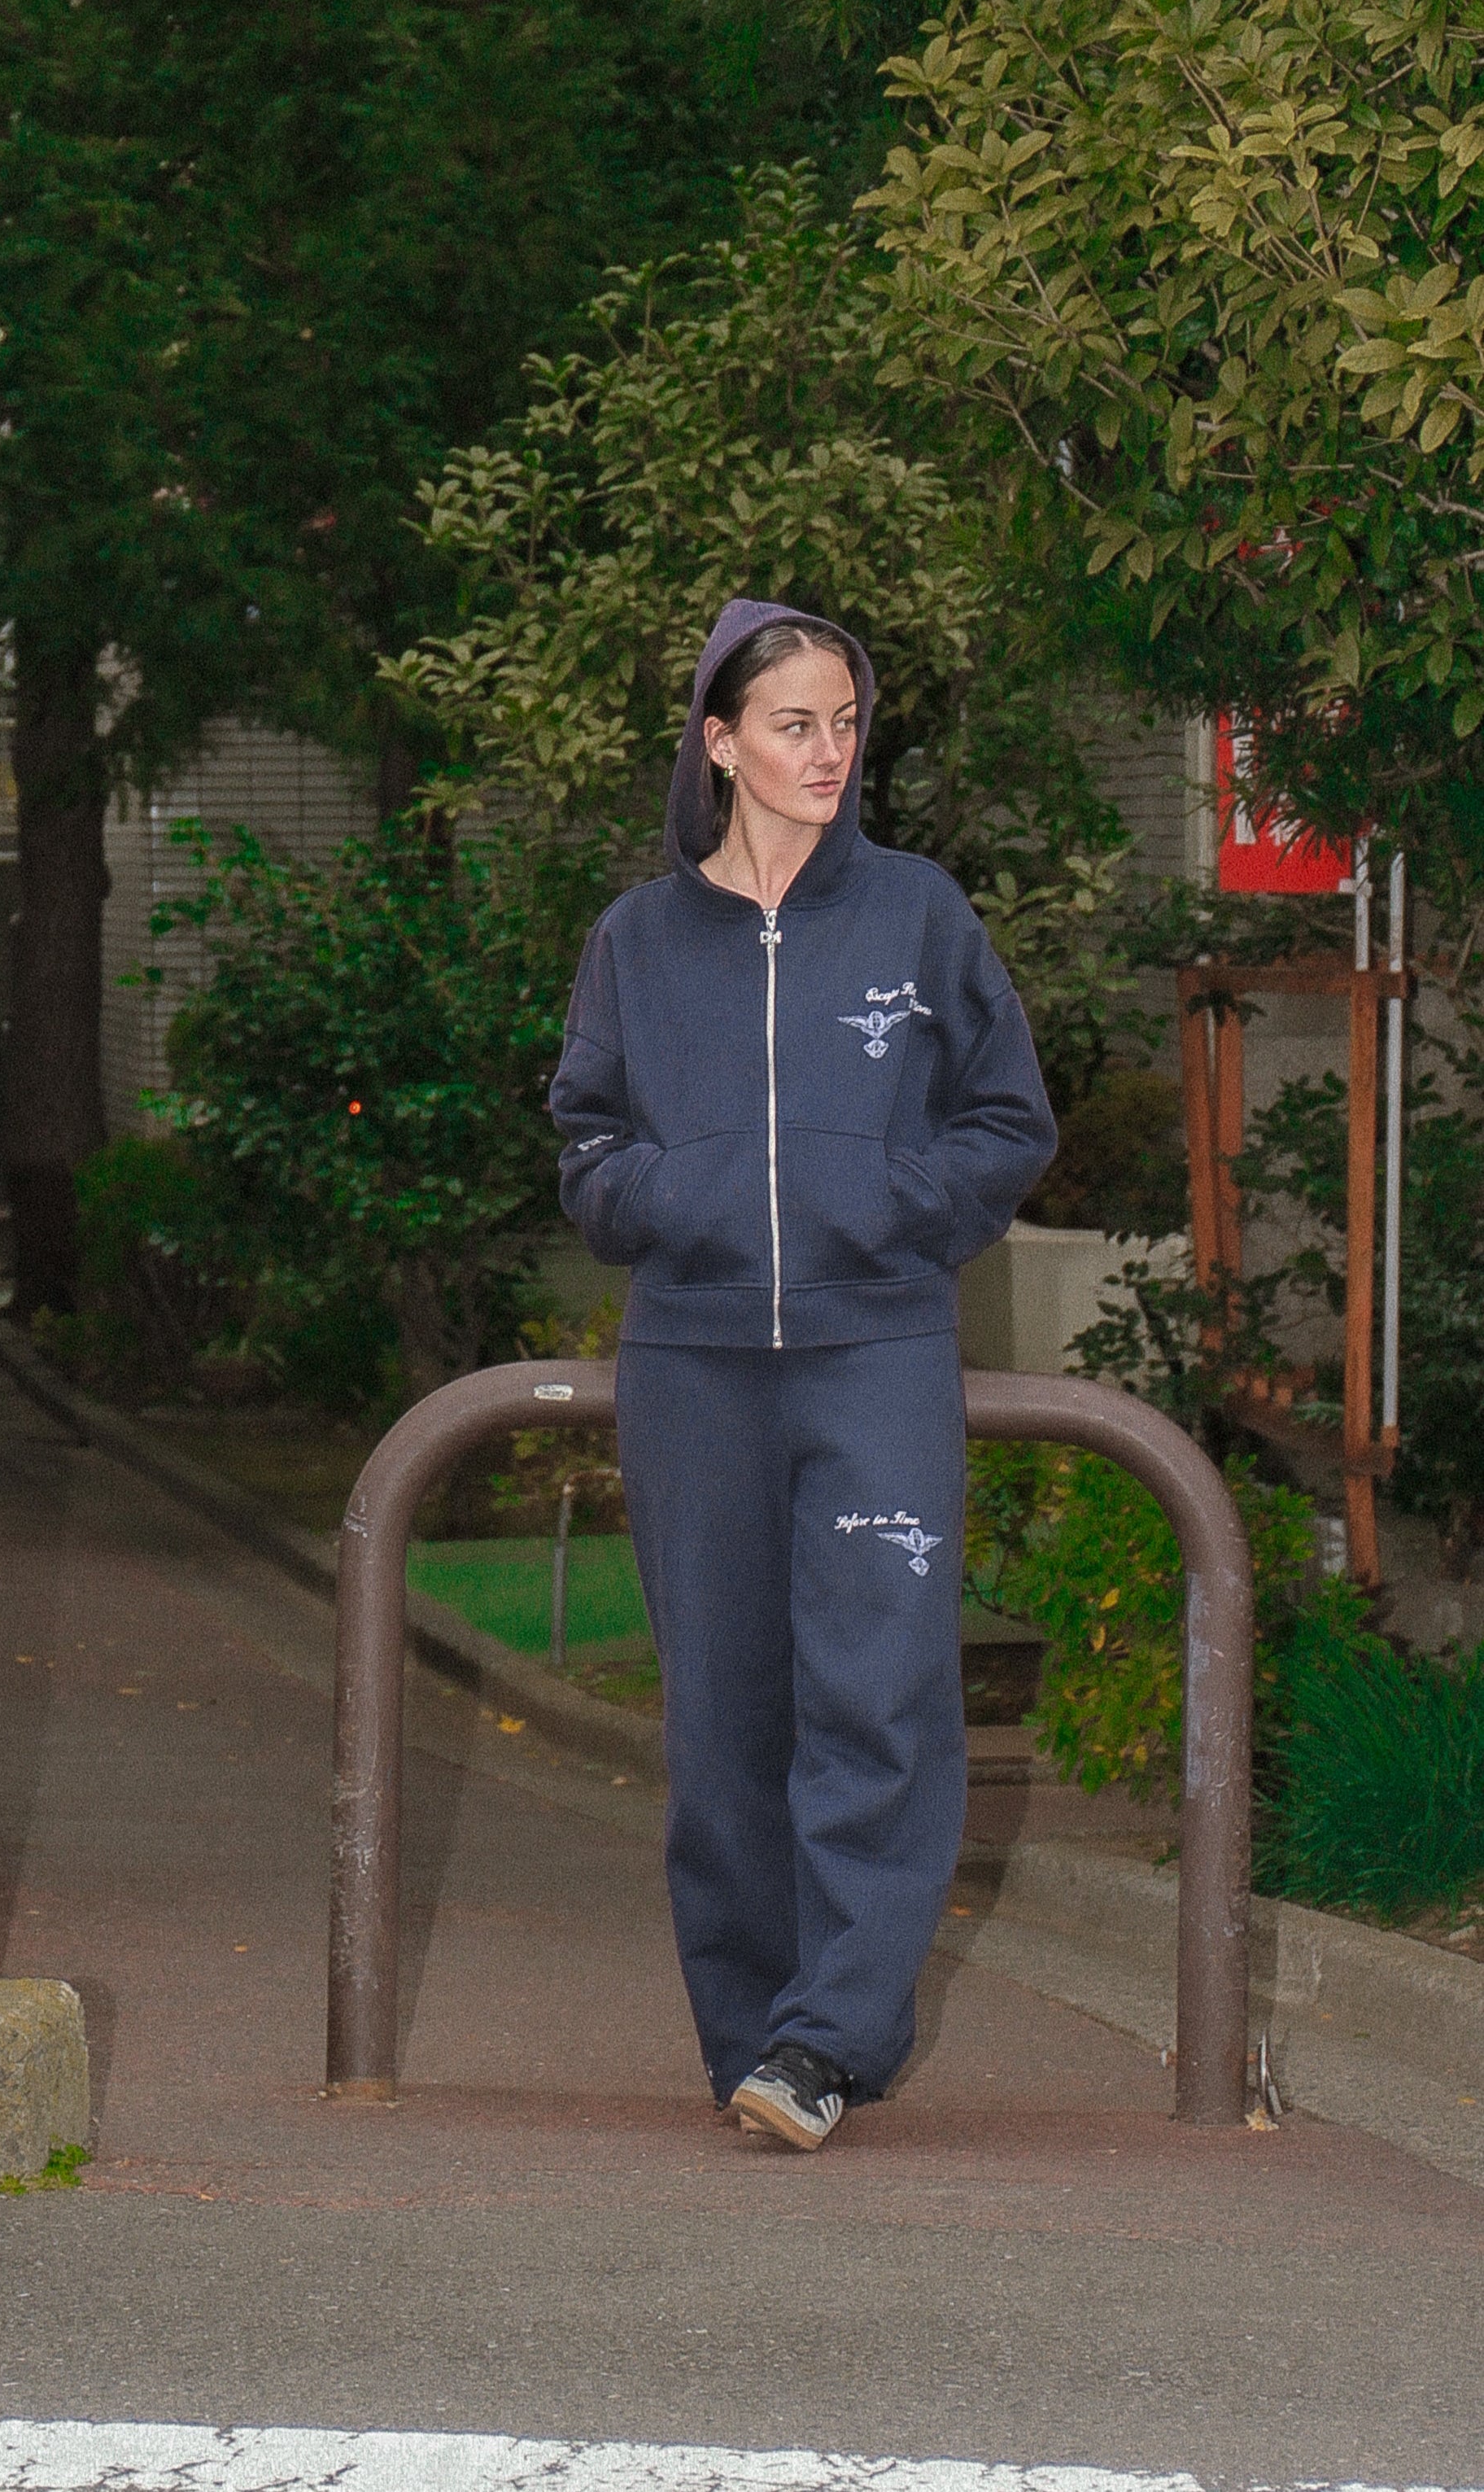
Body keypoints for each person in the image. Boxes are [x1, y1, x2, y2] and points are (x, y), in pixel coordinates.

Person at [548, 598, 1054, 2149]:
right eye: (793, 724)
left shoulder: (916, 917)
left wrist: (889, 1210)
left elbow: (1005, 1120)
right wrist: (681, 1200)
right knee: (720, 1724)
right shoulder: (637, 940)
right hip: (694, 1368)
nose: (827, 752)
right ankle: (755, 2039)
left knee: (877, 1699)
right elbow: (584, 1148)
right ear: (720, 744)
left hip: (875, 1357)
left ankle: (832, 2035)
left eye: (844, 723)